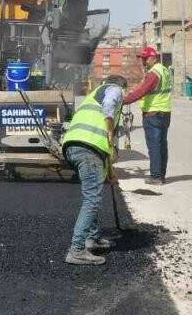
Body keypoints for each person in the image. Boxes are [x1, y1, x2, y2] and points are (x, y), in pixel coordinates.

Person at [60, 74, 128, 266]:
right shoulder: (114, 89)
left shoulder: (92, 96)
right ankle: (77, 250)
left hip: (75, 148)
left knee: (91, 196)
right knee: (92, 199)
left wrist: (110, 173)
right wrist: (110, 127)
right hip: (88, 149)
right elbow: (109, 106)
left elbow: (103, 150)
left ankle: (93, 238)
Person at [122, 46, 173, 185]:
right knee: (162, 145)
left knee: (154, 146)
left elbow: (143, 91)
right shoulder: (165, 70)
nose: (143, 61)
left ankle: (156, 177)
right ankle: (161, 175)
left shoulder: (154, 73)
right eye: (142, 59)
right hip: (165, 112)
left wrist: (123, 101)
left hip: (153, 114)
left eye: (145, 58)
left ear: (153, 58)